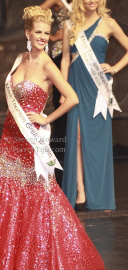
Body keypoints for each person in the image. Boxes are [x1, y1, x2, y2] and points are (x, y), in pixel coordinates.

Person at [0, 6, 104, 270]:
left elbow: (71, 98)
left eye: (47, 33)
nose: (44, 37)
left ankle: (41, 257)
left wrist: (47, 118)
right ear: (27, 32)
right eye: (39, 32)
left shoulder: (47, 64)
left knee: (38, 195)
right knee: (1, 191)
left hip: (32, 140)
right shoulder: (20, 58)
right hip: (10, 136)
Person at [61, 0, 128, 210]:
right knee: (78, 138)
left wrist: (115, 68)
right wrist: (63, 89)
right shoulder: (69, 24)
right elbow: (64, 58)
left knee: (97, 141)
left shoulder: (108, 23)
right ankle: (80, 190)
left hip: (98, 88)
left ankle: (98, 193)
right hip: (75, 85)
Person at [40, 0, 72, 166]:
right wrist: (51, 36)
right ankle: (59, 146)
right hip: (61, 52)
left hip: (78, 52)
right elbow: (33, 13)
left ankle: (72, 143)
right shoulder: (56, 1)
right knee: (60, 98)